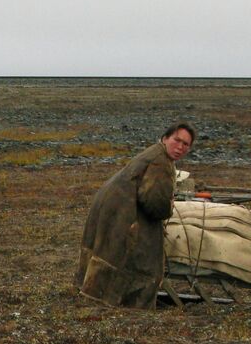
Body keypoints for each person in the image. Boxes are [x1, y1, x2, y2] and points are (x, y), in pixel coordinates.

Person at [76, 123, 194, 308]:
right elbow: (155, 203)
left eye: (185, 144)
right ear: (165, 138)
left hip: (113, 205)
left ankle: (97, 292)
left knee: (109, 249)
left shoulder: (156, 153)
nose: (180, 147)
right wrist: (168, 207)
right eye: (176, 140)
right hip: (122, 209)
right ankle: (129, 302)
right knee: (140, 256)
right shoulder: (160, 162)